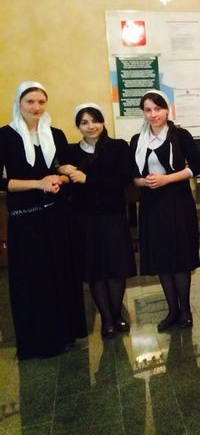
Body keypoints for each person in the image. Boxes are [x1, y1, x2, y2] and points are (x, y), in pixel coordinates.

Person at [0, 82, 86, 359]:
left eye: (41, 102)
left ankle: (65, 334)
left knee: (60, 273)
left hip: (56, 215)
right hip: (26, 219)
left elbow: (66, 173)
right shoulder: (4, 136)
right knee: (34, 279)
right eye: (30, 102)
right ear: (19, 104)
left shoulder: (55, 134)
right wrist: (38, 183)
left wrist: (58, 180)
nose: (36, 107)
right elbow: (2, 182)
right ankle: (39, 341)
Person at [61, 103, 136, 339]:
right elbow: (66, 183)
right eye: (84, 122)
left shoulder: (118, 147)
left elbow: (122, 179)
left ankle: (117, 314)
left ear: (103, 122)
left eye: (95, 120)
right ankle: (106, 319)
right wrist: (62, 170)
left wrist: (88, 179)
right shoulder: (71, 152)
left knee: (116, 268)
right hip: (85, 218)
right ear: (78, 126)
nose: (91, 126)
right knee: (95, 270)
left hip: (113, 215)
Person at [131, 90, 200, 331]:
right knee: (162, 258)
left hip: (177, 203)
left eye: (158, 109)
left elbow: (197, 167)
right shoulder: (137, 140)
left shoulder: (179, 135)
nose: (154, 114)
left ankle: (186, 310)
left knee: (179, 257)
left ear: (167, 110)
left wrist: (167, 179)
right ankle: (172, 310)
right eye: (148, 110)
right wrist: (144, 182)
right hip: (152, 206)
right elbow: (133, 176)